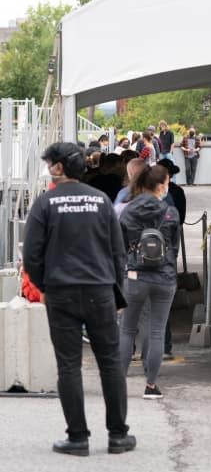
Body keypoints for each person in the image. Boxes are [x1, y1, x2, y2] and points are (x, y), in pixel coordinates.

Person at [23, 142, 136, 456]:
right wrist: (117, 292)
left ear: (59, 167)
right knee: (110, 364)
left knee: (69, 366)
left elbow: (31, 256)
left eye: (49, 163)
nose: (48, 168)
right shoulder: (101, 201)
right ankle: (117, 435)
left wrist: (44, 286)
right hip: (100, 290)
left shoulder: (45, 204)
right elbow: (118, 252)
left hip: (61, 292)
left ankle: (77, 438)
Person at [119, 165, 180, 398]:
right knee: (157, 331)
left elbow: (119, 247)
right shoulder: (170, 213)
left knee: (127, 330)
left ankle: (119, 385)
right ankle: (151, 386)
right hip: (164, 277)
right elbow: (174, 248)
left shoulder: (128, 211)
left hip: (135, 276)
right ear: (161, 185)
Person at [157, 159, 186, 359]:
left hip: (135, 266)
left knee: (131, 317)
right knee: (162, 309)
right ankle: (165, 347)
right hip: (165, 257)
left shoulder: (131, 201)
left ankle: (131, 350)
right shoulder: (176, 195)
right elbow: (179, 220)